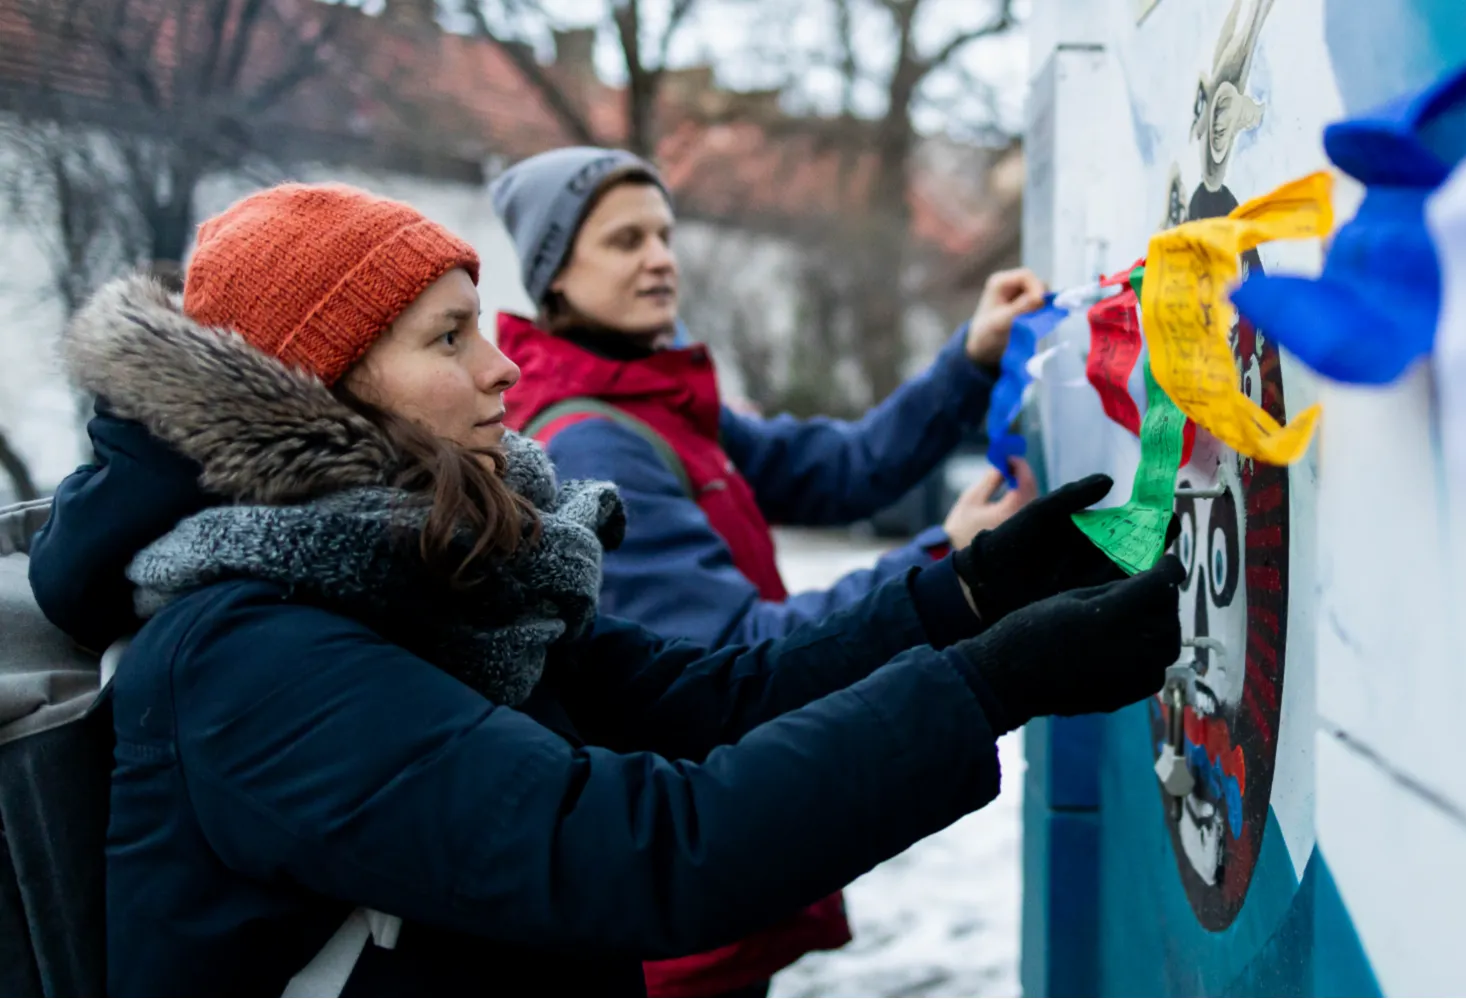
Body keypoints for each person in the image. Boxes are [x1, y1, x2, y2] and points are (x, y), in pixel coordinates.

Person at [27, 184, 1185, 998]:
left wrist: (970, 595)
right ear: (322, 393)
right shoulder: (252, 659)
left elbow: (710, 695)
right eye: (447, 339)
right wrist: (992, 683)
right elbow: (640, 851)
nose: (502, 367)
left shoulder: (435, 572)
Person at [489, 146, 1045, 997]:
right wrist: (949, 555)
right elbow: (734, 652)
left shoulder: (659, 401)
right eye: (623, 239)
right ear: (553, 276)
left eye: (665, 233)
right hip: (684, 903)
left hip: (715, 877)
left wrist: (968, 361)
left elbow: (840, 468)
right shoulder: (595, 440)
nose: (660, 257)